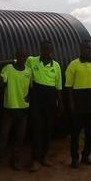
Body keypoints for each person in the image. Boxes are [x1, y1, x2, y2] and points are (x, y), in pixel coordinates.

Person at [65, 41, 91, 168]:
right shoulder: (73, 65)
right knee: (75, 133)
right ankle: (74, 158)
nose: (86, 51)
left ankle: (86, 156)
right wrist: (71, 103)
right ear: (80, 49)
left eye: (88, 48)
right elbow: (69, 86)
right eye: (83, 48)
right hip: (78, 105)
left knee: (89, 134)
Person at [0, 47, 32, 171]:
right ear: (16, 56)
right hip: (9, 109)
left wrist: (29, 96)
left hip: (23, 110)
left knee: (19, 137)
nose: (22, 58)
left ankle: (14, 161)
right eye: (19, 56)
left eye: (24, 56)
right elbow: (1, 83)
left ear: (26, 57)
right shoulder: (8, 69)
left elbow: (31, 87)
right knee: (3, 136)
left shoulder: (29, 71)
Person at [26, 40, 63, 172]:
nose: (46, 51)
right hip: (37, 98)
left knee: (48, 129)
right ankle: (35, 159)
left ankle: (44, 157)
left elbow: (58, 87)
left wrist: (60, 105)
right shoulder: (32, 61)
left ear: (51, 51)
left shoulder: (56, 66)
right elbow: (18, 62)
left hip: (51, 99)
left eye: (48, 49)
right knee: (36, 128)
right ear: (40, 49)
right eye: (44, 49)